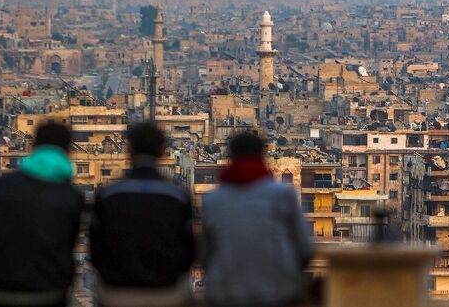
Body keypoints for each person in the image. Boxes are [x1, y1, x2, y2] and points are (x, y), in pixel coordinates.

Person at [0, 123, 84, 307]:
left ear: (33, 147)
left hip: (3, 289)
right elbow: (69, 243)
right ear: (68, 151)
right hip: (49, 291)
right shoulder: (71, 196)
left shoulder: (2, 186)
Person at [90, 123, 194, 307]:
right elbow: (189, 250)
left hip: (117, 293)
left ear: (130, 152)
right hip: (166, 293)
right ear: (162, 152)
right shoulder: (177, 197)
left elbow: (96, 249)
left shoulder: (108, 195)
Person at [203, 133, 313, 307]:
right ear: (262, 155)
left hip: (227, 294)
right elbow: (305, 249)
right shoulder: (283, 194)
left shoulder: (213, 200)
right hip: (278, 293)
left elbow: (205, 255)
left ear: (231, 156)